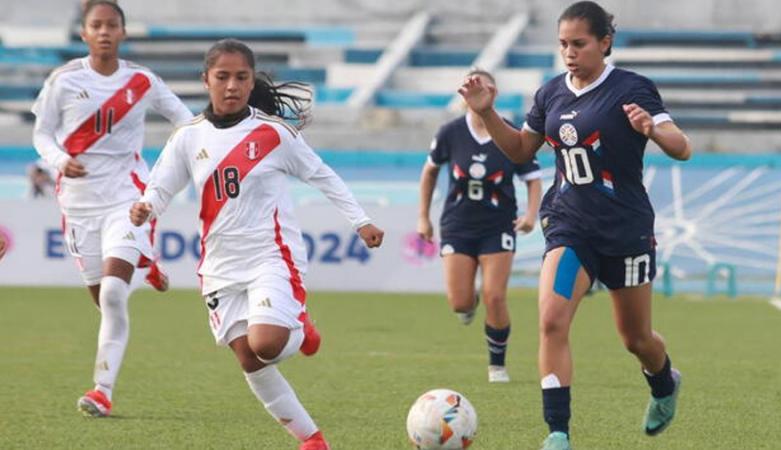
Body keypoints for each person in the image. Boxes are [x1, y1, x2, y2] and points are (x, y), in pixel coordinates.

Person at [130, 38, 384, 450]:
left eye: (241, 77)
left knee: (266, 343)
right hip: (218, 265)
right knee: (249, 358)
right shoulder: (188, 137)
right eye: (222, 76)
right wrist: (146, 207)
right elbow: (162, 186)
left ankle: (299, 328)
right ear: (206, 80)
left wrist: (361, 220)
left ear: (251, 84)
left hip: (271, 255)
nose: (231, 85)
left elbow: (321, 174)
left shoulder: (273, 134)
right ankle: (312, 439)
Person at [458, 2, 692, 449]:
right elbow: (522, 152)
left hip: (625, 230)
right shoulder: (550, 95)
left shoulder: (633, 88)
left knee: (636, 338)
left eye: (579, 44)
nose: (569, 52)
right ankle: (558, 432)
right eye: (563, 43)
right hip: (570, 225)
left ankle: (664, 383)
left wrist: (653, 130)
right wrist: (488, 114)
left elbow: (683, 148)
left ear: (605, 43)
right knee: (551, 319)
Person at [31, 0, 193, 417]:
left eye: (112, 25)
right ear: (83, 34)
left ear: (123, 31)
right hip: (78, 205)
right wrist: (59, 160)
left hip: (126, 197)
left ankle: (102, 389)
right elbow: (42, 135)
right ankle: (147, 261)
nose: (104, 32)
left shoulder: (141, 79)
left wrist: (185, 161)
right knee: (100, 298)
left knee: (114, 294)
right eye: (96, 26)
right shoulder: (64, 80)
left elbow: (185, 122)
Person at [418, 69, 542, 384]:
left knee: (495, 296)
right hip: (458, 225)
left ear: (493, 94)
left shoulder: (512, 133)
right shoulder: (450, 133)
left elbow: (533, 179)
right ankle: (468, 303)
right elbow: (430, 172)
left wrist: (530, 215)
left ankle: (497, 366)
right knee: (459, 302)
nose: (476, 92)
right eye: (470, 87)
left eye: (482, 87)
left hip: (497, 226)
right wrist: (424, 217)